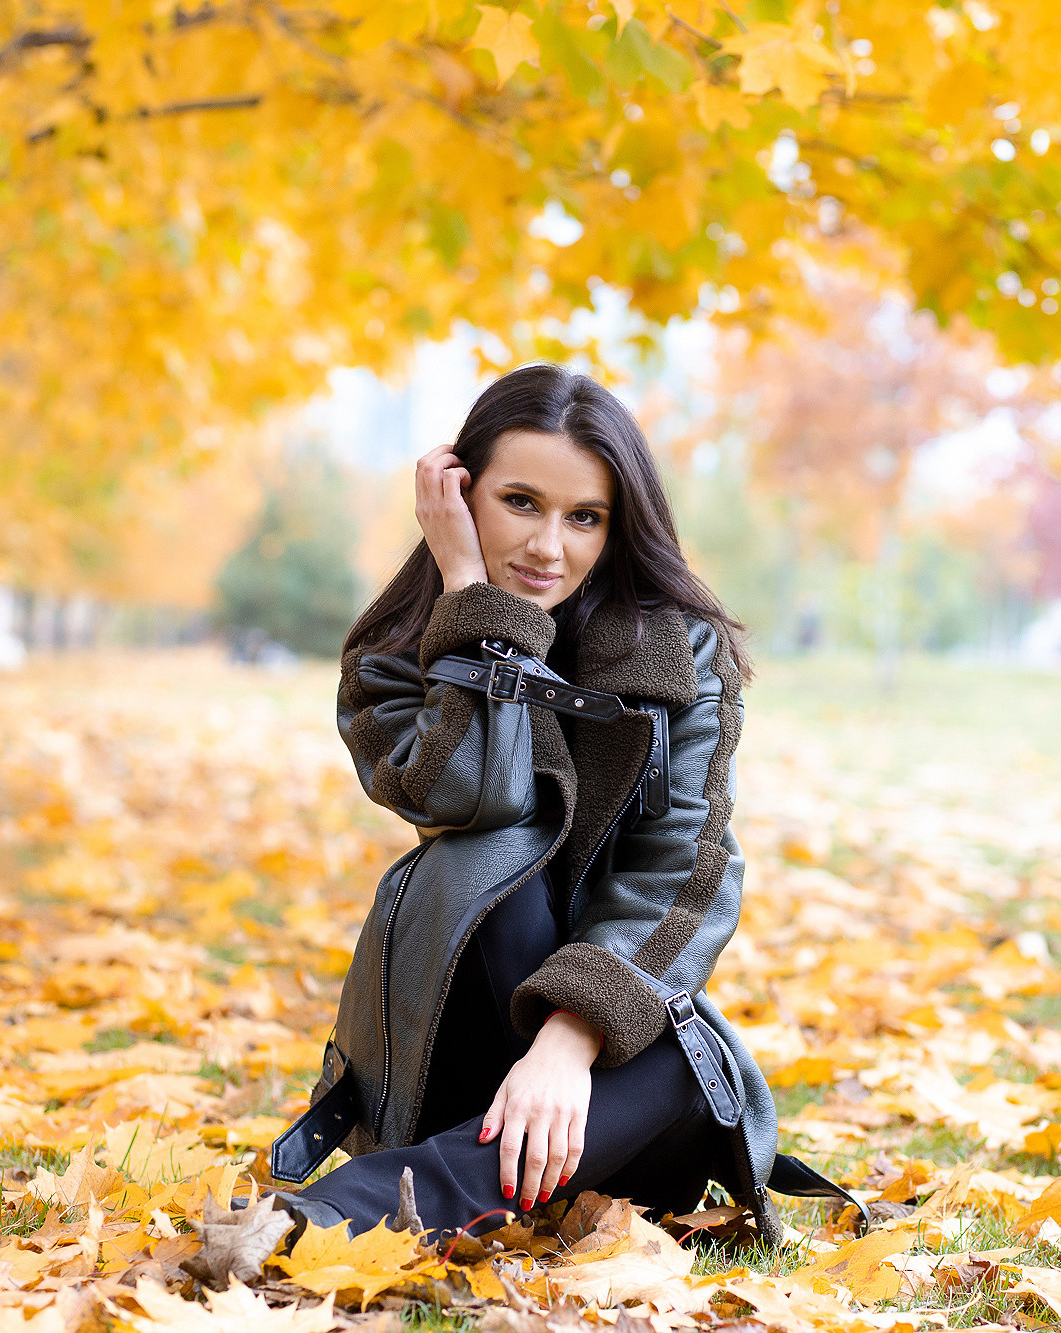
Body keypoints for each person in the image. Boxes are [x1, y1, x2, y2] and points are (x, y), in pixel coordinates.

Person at [272, 364, 789, 1240]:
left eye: (584, 516)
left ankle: (352, 1213)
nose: (550, 545)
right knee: (492, 855)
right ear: (459, 496)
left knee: (689, 1067)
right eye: (520, 502)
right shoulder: (394, 654)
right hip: (457, 1062)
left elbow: (688, 869)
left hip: (606, 1089)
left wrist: (571, 1038)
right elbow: (474, 796)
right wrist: (476, 603)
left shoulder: (680, 655)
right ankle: (448, 1182)